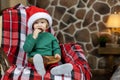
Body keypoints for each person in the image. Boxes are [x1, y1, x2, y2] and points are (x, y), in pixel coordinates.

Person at [23, 6, 73, 80]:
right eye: (36, 23)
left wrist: (57, 54)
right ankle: (40, 70)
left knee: (53, 65)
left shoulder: (50, 36)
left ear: (47, 25)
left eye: (42, 22)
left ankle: (55, 70)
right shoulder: (30, 37)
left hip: (49, 59)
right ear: (33, 26)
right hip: (35, 59)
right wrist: (34, 37)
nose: (39, 24)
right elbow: (27, 49)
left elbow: (56, 47)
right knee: (35, 63)